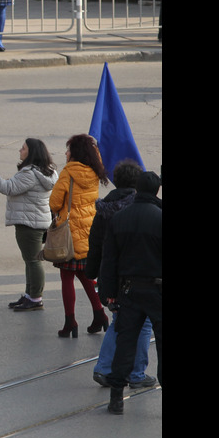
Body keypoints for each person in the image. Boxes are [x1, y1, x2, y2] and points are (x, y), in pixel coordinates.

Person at [86, 160, 156, 389]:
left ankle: (104, 367)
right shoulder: (138, 210)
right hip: (133, 275)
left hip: (111, 275)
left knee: (119, 323)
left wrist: (92, 272)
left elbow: (95, 245)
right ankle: (136, 373)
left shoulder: (104, 208)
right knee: (142, 325)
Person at [100, 171, 161, 415]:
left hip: (129, 290)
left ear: (137, 189)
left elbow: (109, 260)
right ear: (156, 191)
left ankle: (116, 398)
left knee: (125, 343)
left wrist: (108, 293)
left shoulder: (119, 217)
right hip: (157, 290)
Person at [0, 138, 58, 310]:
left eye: (23, 149)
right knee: (30, 260)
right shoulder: (46, 172)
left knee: (33, 260)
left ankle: (35, 298)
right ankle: (30, 295)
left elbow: (7, 187)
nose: (20, 151)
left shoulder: (30, 173)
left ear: (32, 153)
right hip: (36, 220)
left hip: (29, 223)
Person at [48, 134, 110, 338]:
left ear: (75, 153)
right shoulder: (95, 170)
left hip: (70, 232)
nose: (66, 153)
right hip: (89, 229)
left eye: (68, 150)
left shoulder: (68, 172)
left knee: (66, 277)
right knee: (85, 274)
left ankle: (70, 322)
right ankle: (99, 314)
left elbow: (55, 203)